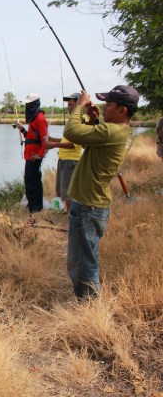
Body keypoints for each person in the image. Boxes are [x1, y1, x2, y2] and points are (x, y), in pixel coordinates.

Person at [63, 85, 139, 300]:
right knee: (82, 258)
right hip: (90, 204)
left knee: (84, 261)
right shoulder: (115, 131)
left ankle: (89, 307)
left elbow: (71, 132)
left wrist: (79, 106)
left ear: (122, 110)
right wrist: (94, 119)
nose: (104, 107)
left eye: (109, 105)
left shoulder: (114, 131)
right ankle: (86, 302)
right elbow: (93, 141)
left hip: (89, 206)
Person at [45, 92, 87, 213]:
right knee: (64, 191)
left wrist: (54, 145)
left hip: (71, 161)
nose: (68, 107)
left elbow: (74, 144)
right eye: (68, 105)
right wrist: (54, 139)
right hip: (64, 160)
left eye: (70, 105)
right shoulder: (72, 121)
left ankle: (71, 216)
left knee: (69, 192)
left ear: (79, 105)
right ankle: (70, 214)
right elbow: (67, 140)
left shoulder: (81, 120)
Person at [16, 93, 49, 214]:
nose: (27, 107)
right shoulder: (34, 119)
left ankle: (36, 208)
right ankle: (33, 206)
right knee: (30, 182)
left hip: (34, 157)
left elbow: (45, 139)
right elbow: (31, 137)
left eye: (29, 104)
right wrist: (22, 129)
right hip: (29, 156)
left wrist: (40, 154)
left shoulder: (40, 118)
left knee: (33, 183)